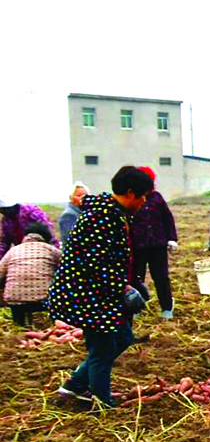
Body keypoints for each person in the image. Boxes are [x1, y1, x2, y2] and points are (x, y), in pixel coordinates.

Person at [45, 166, 153, 408]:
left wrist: (131, 284)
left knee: (124, 337)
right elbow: (97, 265)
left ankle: (73, 386)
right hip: (87, 295)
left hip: (103, 293)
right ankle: (102, 402)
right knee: (103, 349)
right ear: (129, 192)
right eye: (143, 195)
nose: (144, 201)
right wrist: (124, 289)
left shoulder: (115, 214)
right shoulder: (101, 217)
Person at [127, 170, 178, 320]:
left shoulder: (157, 198)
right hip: (138, 246)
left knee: (161, 278)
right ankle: (136, 308)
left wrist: (171, 238)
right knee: (136, 277)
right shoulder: (133, 200)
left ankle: (167, 309)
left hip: (158, 244)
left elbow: (168, 219)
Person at [0, 224, 59, 326]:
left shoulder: (13, 251)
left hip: (15, 300)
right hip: (45, 300)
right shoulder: (51, 250)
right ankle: (55, 323)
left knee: (18, 316)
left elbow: (0, 273)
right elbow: (66, 269)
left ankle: (19, 323)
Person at [0, 195, 55, 261]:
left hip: (40, 249)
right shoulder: (6, 220)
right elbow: (5, 242)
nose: (2, 212)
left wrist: (53, 248)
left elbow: (47, 229)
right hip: (23, 251)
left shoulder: (31, 211)